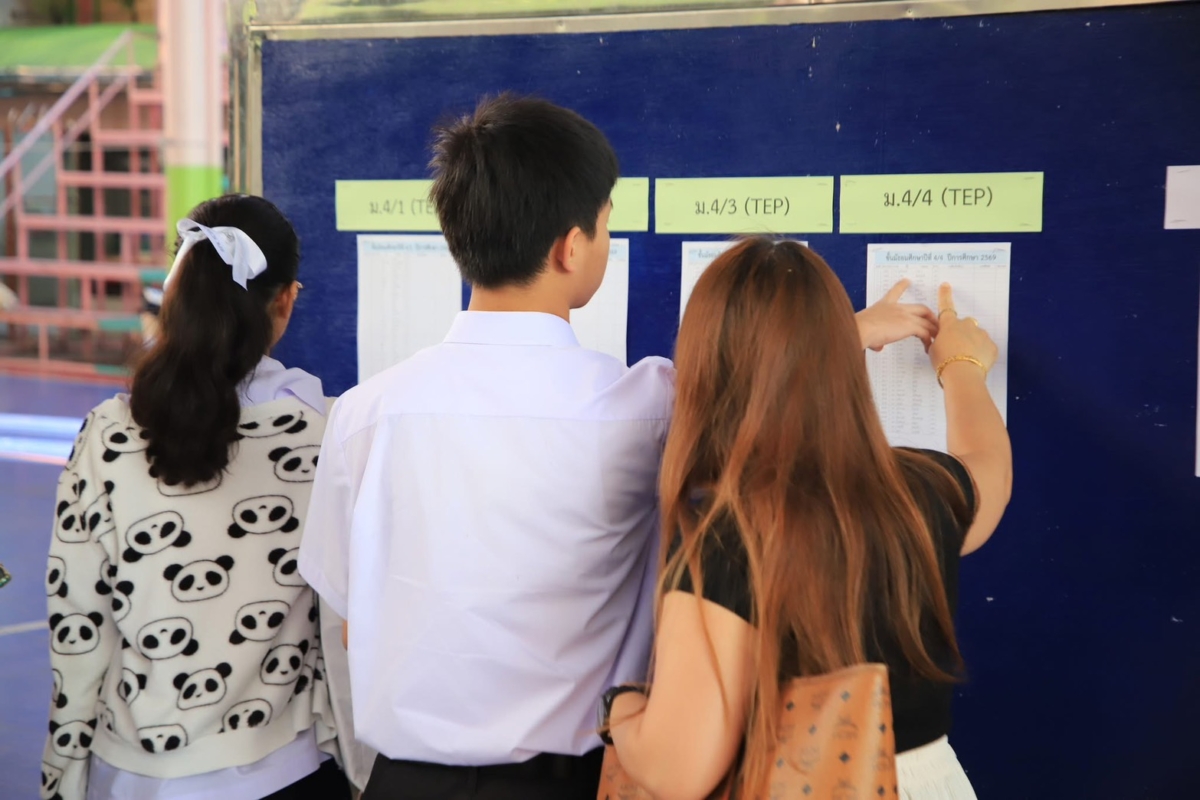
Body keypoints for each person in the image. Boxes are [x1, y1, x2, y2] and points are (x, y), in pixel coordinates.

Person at [601, 239, 1012, 800]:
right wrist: (962, 367)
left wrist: (620, 706)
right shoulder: (917, 493)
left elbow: (678, 773)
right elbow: (988, 469)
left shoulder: (729, 537)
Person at [41, 194, 351, 800]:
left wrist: (61, 780)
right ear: (286, 300)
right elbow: (341, 625)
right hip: (281, 769)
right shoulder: (326, 435)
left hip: (128, 775)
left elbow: (78, 625)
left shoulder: (108, 434)